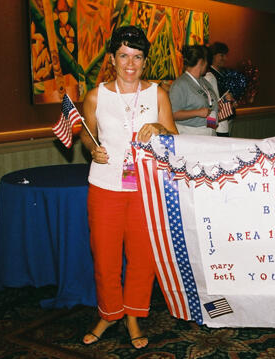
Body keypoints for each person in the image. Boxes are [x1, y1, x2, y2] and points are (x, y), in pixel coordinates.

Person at [79, 25, 178, 349]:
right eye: (124, 56)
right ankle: (109, 314)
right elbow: (85, 133)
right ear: (112, 59)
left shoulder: (157, 94)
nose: (130, 64)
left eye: (137, 57)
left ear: (145, 61)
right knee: (105, 256)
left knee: (142, 257)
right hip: (105, 186)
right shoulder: (96, 96)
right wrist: (92, 148)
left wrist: (161, 127)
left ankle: (134, 314)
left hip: (146, 189)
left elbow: (175, 137)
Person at [169, 45, 219, 136]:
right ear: (201, 61)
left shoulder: (204, 82)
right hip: (191, 135)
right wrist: (197, 112)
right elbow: (172, 114)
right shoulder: (180, 84)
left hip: (209, 131)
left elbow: (210, 108)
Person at [205, 42, 237, 136]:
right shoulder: (209, 76)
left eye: (225, 56)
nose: (225, 59)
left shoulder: (220, 74)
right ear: (213, 56)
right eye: (221, 55)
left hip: (222, 122)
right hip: (217, 125)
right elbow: (211, 103)